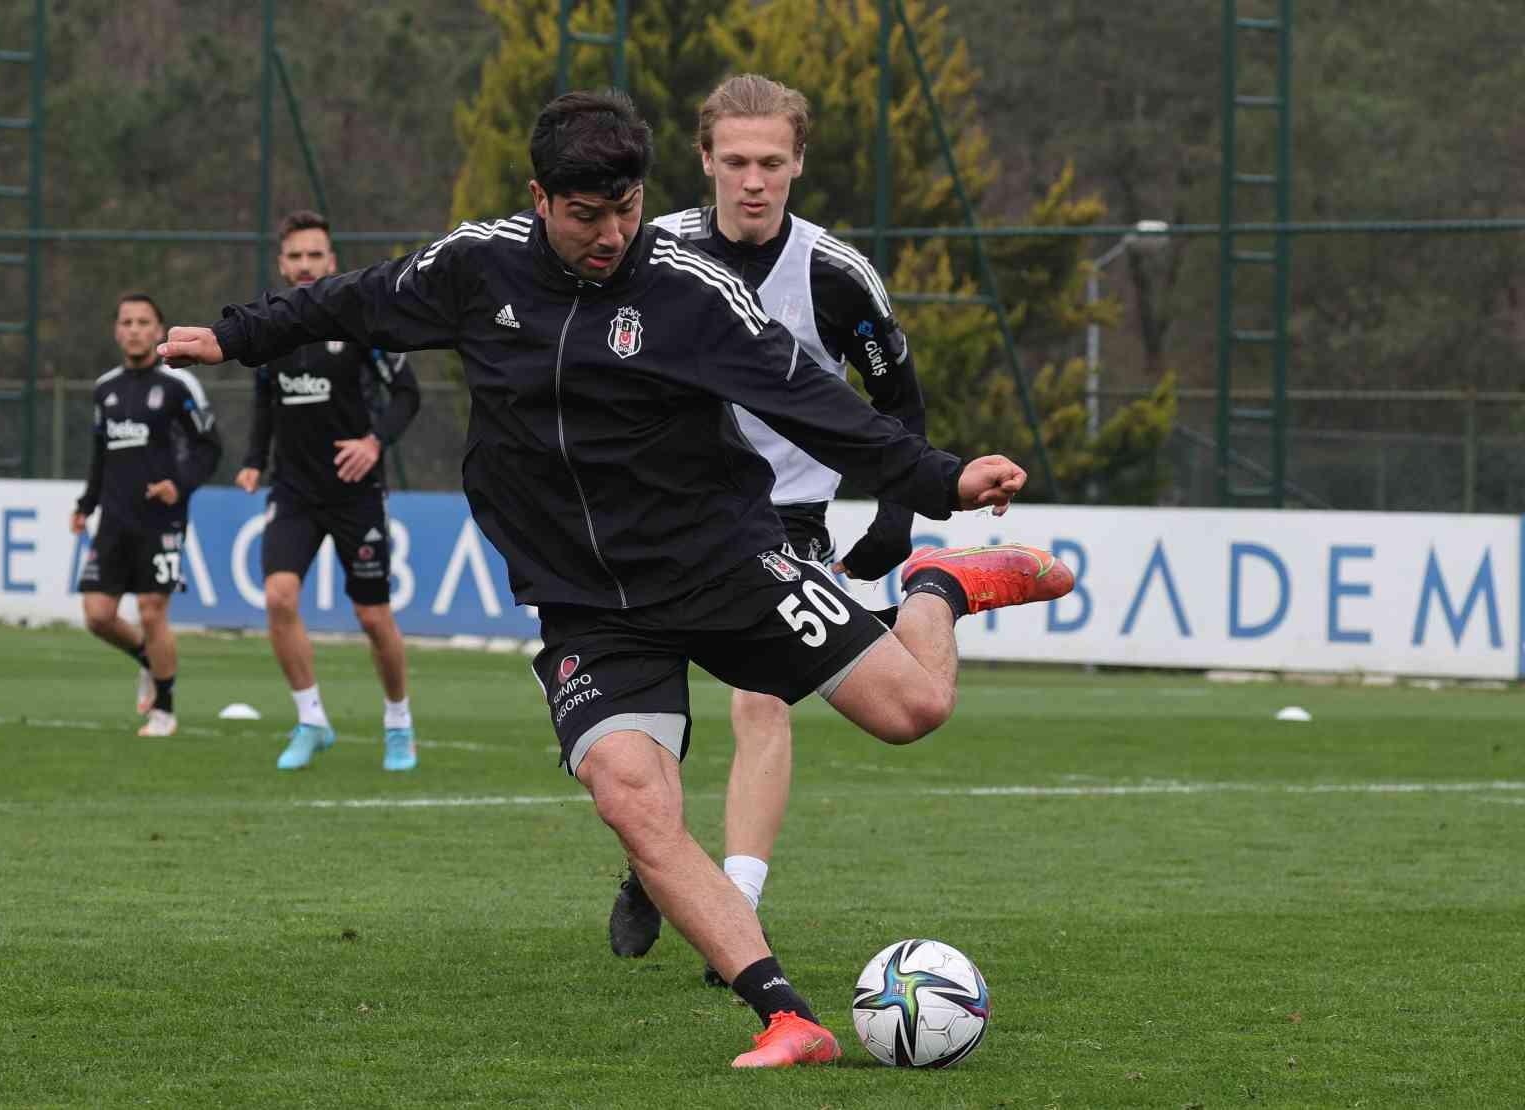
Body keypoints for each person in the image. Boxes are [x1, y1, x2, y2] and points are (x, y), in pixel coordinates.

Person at [160, 90, 1071, 1069]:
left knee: (913, 710)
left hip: (722, 562)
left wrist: (937, 486)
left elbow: (813, 403)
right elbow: (356, 295)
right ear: (539, 196)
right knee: (634, 800)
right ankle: (785, 1016)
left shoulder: (690, 290)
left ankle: (936, 587)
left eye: (626, 210)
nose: (610, 235)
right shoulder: (478, 265)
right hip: (587, 603)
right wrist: (238, 334)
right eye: (586, 215)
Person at [610, 73, 977, 983]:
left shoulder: (835, 274)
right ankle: (651, 863)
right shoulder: (651, 255)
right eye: (734, 161)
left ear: (799, 163)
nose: (753, 180)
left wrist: (898, 514)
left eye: (772, 161)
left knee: (763, 700)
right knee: (649, 710)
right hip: (664, 516)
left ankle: (736, 898)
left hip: (785, 519)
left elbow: (899, 401)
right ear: (704, 162)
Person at [234, 210, 423, 772]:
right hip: (292, 490)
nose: (305, 265)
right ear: (282, 264)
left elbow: (407, 396)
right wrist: (251, 461)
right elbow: (265, 403)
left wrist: (373, 442)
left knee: (372, 617)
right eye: (296, 256)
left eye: (315, 255)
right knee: (278, 598)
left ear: (332, 262)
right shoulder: (270, 329)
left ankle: (398, 722)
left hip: (354, 491)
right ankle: (311, 719)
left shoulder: (362, 323)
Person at [72, 293, 221, 738]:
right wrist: (86, 505)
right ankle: (146, 659)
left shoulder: (179, 384)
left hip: (161, 518)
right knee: (98, 615)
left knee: (153, 611)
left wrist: (179, 483)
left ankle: (165, 711)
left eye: (143, 322)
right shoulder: (105, 389)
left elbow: (209, 447)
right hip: (114, 519)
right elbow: (100, 454)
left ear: (159, 330)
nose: (134, 329)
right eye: (127, 322)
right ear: (117, 330)